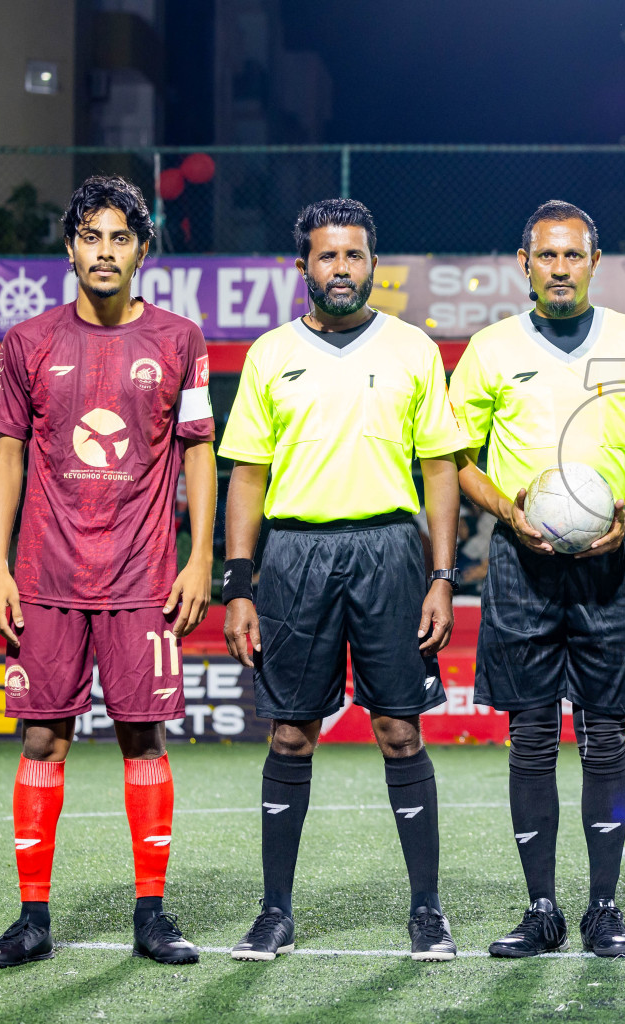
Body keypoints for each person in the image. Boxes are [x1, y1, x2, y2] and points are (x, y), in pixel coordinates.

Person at [0, 175, 217, 968]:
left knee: (142, 735)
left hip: (144, 577)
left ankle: (152, 914)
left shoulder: (180, 341)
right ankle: (32, 919)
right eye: (91, 236)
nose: (104, 251)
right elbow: (8, 453)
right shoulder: (29, 342)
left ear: (143, 250)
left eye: (120, 237)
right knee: (42, 737)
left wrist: (200, 555)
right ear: (71, 247)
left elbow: (199, 453)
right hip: (44, 577)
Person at [220, 198, 466, 962]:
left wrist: (442, 575)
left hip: (391, 551)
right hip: (294, 556)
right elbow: (247, 475)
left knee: (399, 729)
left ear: (372, 264)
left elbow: (441, 470)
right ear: (304, 268)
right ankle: (275, 912)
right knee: (291, 732)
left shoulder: (413, 349)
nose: (341, 269)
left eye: (354, 256)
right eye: (327, 257)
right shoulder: (269, 355)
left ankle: (427, 911)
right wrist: (238, 583)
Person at [448, 200, 625, 958]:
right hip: (521, 564)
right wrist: (509, 511)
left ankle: (603, 909)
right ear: (525, 262)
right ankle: (541, 908)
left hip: (609, 566)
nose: (561, 268)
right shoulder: (490, 348)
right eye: (548, 256)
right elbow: (455, 459)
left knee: (605, 738)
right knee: (532, 738)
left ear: (595, 264)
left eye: (574, 256)